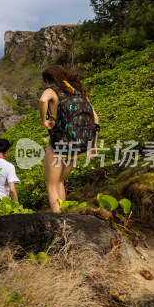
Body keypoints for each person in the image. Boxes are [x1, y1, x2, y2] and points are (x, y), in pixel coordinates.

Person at [39, 65, 100, 212]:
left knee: (52, 184)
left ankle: (59, 219)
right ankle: (64, 213)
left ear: (48, 80)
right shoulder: (79, 93)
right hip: (77, 144)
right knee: (60, 181)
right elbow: (95, 119)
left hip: (59, 143)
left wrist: (43, 120)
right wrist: (93, 144)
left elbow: (42, 100)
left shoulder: (52, 91)